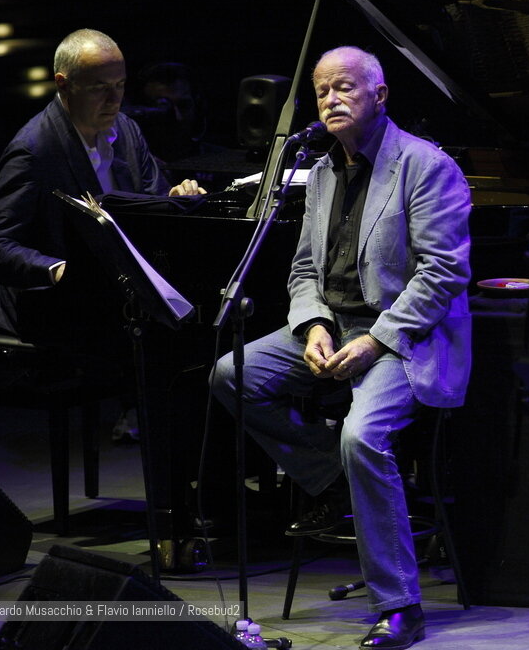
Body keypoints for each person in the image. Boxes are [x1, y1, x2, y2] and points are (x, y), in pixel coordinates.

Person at [210, 46, 472, 650]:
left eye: (345, 88)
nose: (329, 99)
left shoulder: (425, 166)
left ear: (380, 96)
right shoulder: (323, 169)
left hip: (405, 336)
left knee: (364, 437)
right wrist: (313, 326)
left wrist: (376, 342)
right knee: (230, 375)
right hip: (337, 325)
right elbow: (304, 268)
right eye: (322, 89)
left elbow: (442, 275)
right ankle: (334, 476)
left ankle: (400, 604)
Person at [0, 28, 206, 343]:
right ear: (63, 84)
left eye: (120, 85)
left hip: (115, 303)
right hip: (56, 314)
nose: (115, 100)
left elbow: (151, 203)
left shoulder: (127, 131)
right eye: (100, 88)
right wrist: (58, 270)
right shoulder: (34, 150)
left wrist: (174, 199)